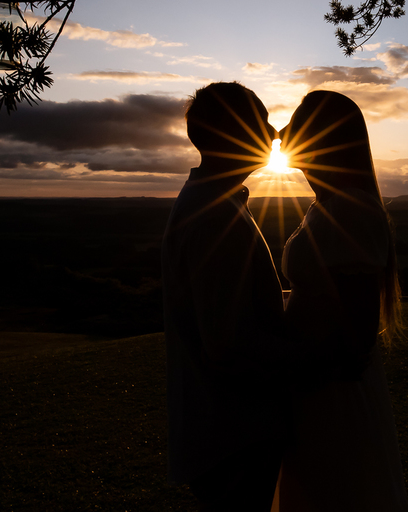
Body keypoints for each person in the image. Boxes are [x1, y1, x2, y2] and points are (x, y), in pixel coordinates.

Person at [162, 82, 329, 511]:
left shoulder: (210, 200)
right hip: (232, 432)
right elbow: (229, 341)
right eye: (262, 122)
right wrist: (317, 356)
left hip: (221, 428)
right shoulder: (214, 216)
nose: (273, 133)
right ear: (231, 133)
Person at [272, 90, 408, 512]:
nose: (282, 132)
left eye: (296, 122)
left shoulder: (351, 210)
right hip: (314, 383)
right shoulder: (328, 204)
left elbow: (358, 334)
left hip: (331, 392)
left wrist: (308, 369)